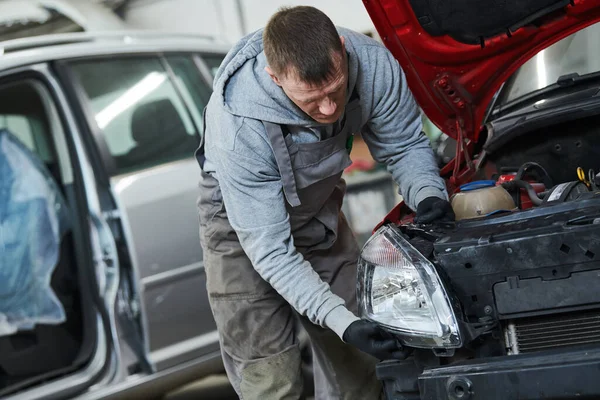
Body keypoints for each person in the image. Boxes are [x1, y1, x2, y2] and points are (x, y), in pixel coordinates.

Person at [195, 5, 455, 399]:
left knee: (365, 366)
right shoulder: (238, 125)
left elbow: (403, 146)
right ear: (275, 77)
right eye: (312, 100)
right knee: (272, 380)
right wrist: (340, 321)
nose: (330, 109)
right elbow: (271, 251)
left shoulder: (372, 66)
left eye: (335, 89)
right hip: (241, 230)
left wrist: (428, 194)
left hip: (317, 213)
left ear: (343, 49)